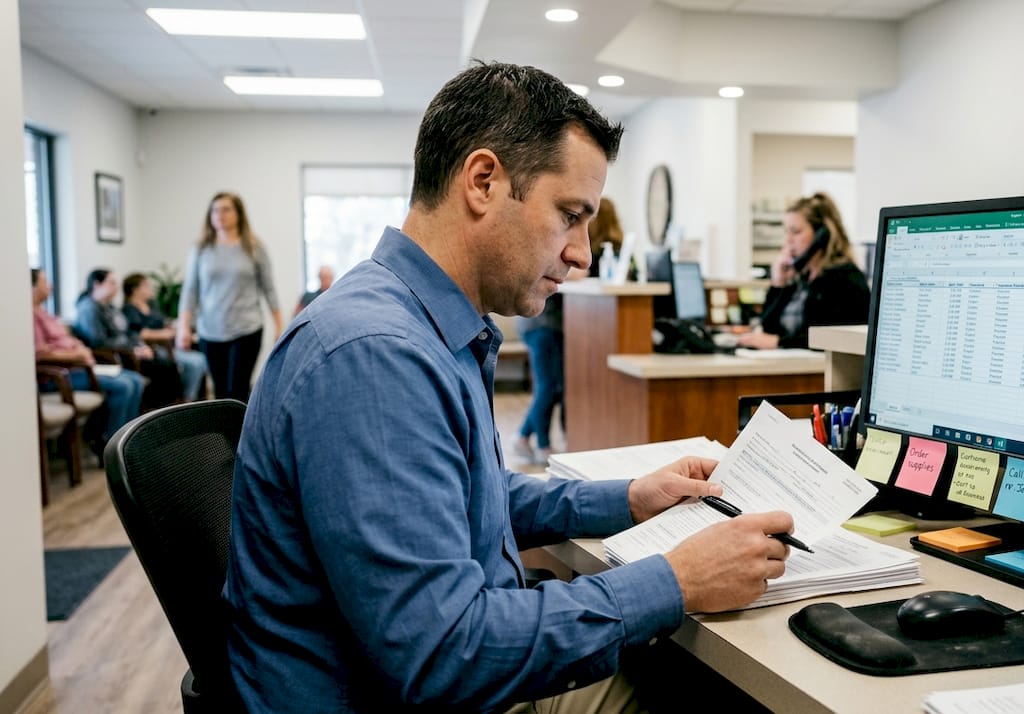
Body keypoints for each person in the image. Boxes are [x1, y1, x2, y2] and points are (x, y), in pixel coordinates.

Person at [225, 61, 794, 713]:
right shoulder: (376, 356)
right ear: (484, 182)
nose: (582, 253)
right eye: (570, 215)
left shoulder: (416, 324)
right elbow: (445, 656)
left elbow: (463, 495)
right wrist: (678, 580)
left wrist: (629, 499)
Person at [510, 199, 623, 464]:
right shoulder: (560, 243)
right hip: (542, 325)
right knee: (548, 386)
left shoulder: (581, 245)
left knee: (554, 386)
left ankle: (525, 437)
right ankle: (541, 445)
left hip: (551, 326)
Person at [175, 192, 282, 403]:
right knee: (220, 391)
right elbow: (190, 290)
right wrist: (183, 327)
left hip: (246, 328)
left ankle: (241, 426)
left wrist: (280, 326)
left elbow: (269, 289)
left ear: (239, 214)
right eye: (215, 210)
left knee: (237, 389)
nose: (219, 215)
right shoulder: (201, 249)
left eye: (226, 209)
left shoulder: (254, 248)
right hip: (210, 330)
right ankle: (224, 427)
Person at [736, 192, 871, 350]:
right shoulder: (801, 278)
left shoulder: (845, 279)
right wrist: (778, 284)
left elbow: (831, 339)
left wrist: (779, 343)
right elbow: (768, 329)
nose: (788, 240)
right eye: (786, 232)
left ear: (822, 235)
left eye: (796, 232)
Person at [32, 268, 144, 444]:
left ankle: (129, 439)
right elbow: (40, 353)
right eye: (44, 281)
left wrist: (79, 349)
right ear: (32, 287)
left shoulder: (46, 314)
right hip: (61, 376)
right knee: (124, 385)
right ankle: (113, 442)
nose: (50, 285)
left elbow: (68, 341)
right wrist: (77, 354)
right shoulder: (30, 316)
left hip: (81, 368)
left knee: (136, 380)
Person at [74, 268, 184, 408]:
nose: (116, 287)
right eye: (111, 282)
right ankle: (158, 413)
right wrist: (133, 350)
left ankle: (170, 410)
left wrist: (140, 346)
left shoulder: (110, 307)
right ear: (97, 285)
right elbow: (99, 342)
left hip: (128, 351)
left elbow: (128, 333)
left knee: (168, 365)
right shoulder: (88, 309)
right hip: (112, 357)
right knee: (163, 369)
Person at [121, 272, 209, 402]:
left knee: (201, 359)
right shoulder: (129, 309)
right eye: (146, 285)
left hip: (168, 345)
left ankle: (197, 399)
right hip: (154, 348)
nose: (150, 288)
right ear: (135, 290)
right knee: (195, 363)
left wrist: (175, 328)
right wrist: (165, 333)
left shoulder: (152, 304)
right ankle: (186, 400)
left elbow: (163, 322)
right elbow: (140, 333)